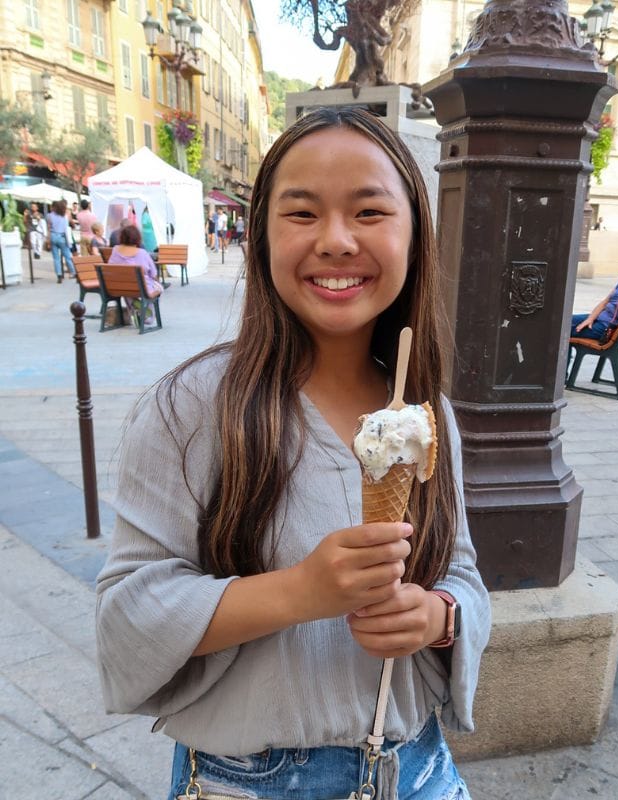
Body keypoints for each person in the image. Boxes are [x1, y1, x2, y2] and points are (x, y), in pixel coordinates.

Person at [95, 107, 491, 800]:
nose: (336, 241)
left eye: (369, 212)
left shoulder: (426, 418)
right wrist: (300, 592)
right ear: (260, 237)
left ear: (414, 236)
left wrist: (438, 618)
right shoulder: (190, 408)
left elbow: (460, 572)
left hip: (419, 770)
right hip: (247, 781)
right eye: (302, 214)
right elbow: (127, 616)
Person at [46, 199, 76, 283]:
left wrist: (48, 240)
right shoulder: (66, 216)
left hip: (53, 236)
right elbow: (72, 225)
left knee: (56, 258)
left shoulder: (49, 216)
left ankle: (59, 274)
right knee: (67, 256)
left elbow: (48, 229)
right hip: (63, 237)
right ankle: (73, 272)